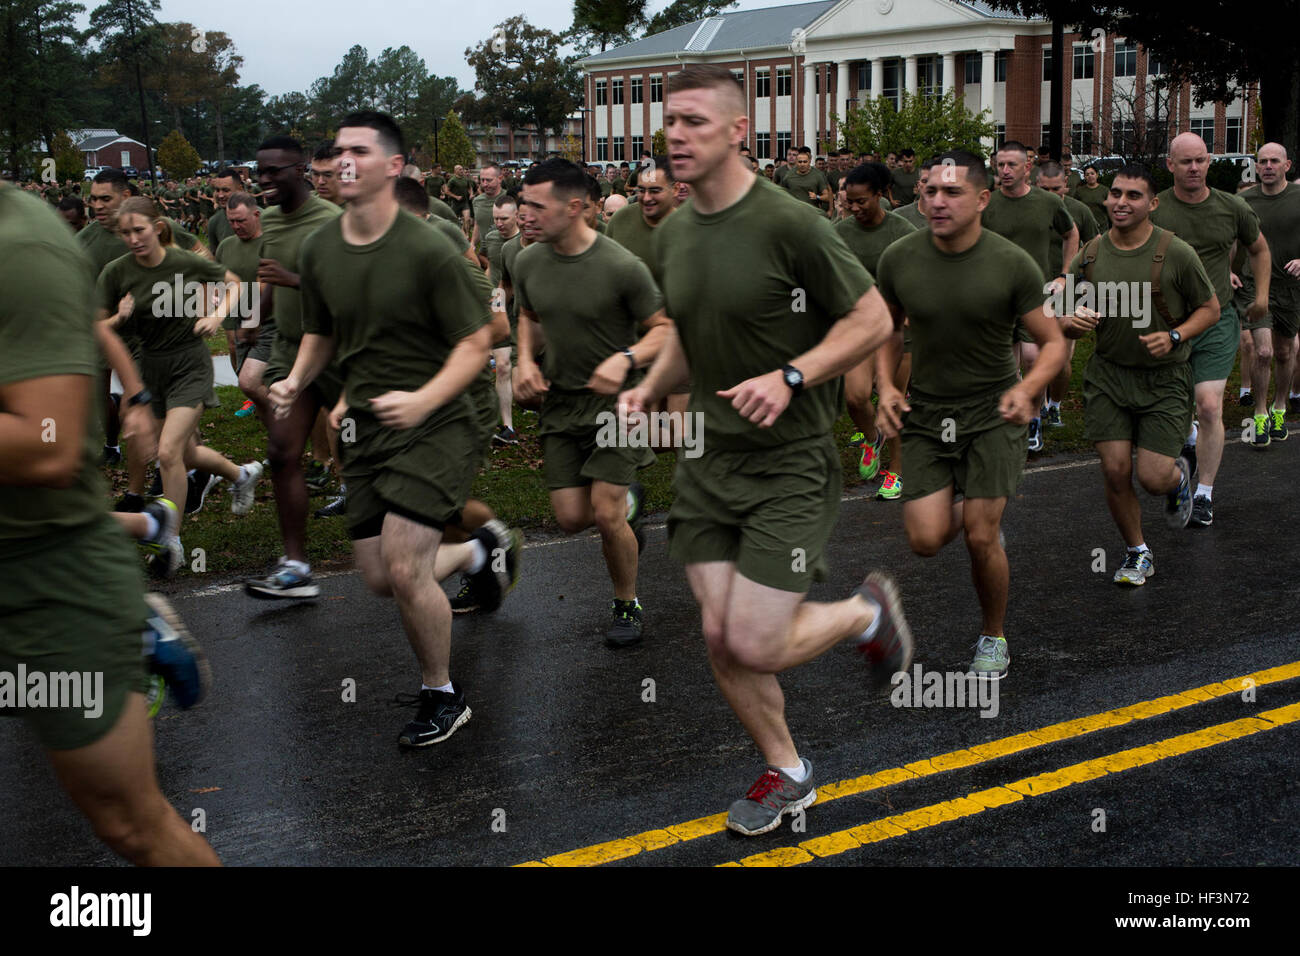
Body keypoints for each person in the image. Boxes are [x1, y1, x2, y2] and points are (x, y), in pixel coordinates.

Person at [619, 66, 912, 837]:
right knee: (722, 639)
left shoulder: (792, 225)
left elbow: (873, 317)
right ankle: (789, 771)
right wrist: (649, 386)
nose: (675, 135)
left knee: (752, 637)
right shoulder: (675, 230)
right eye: (669, 122)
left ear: (739, 130)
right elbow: (688, 330)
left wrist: (793, 374)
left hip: (789, 461)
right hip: (709, 462)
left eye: (693, 121)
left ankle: (862, 613)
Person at [272, 111, 519, 746]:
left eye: (360, 150)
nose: (344, 161)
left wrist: (423, 399)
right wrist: (300, 380)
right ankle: (476, 550)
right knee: (380, 576)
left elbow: (477, 342)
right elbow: (324, 331)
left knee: (407, 569)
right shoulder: (319, 249)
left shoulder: (428, 250)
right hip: (367, 427)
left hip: (439, 421)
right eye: (339, 151)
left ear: (393, 166)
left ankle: (442, 694)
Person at [0, 182, 220, 866]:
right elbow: (100, 322)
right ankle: (141, 594)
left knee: (128, 824)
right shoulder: (103, 262)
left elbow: (49, 443)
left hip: (38, 572)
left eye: (130, 221)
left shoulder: (22, 247)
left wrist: (144, 394)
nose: (122, 230)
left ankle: (148, 557)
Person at [875, 150, 1068, 680]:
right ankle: (980, 512)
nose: (937, 201)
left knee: (981, 536)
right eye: (931, 191)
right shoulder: (899, 258)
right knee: (925, 540)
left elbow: (1050, 343)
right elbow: (888, 329)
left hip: (993, 412)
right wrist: (886, 386)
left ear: (982, 199)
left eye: (952, 192)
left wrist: (1028, 389)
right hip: (926, 414)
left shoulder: (1010, 263)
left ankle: (993, 636)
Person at [514, 159, 670, 646]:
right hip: (561, 403)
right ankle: (629, 503)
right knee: (570, 518)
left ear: (576, 207)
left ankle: (627, 603)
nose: (526, 215)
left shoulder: (622, 267)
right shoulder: (527, 261)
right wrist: (524, 362)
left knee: (603, 515)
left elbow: (665, 331)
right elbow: (529, 316)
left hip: (618, 406)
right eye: (523, 204)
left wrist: (626, 358)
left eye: (537, 206)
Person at [1062, 164, 1216, 584]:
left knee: (1151, 478)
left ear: (1153, 203)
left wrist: (1176, 334)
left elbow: (1211, 309)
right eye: (1115, 194)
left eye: (1133, 196)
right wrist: (1069, 319)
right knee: (1114, 470)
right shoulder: (1092, 252)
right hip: (1108, 376)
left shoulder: (1176, 252)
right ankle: (1138, 551)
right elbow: (1058, 305)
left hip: (1164, 379)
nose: (1120, 202)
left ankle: (1179, 476)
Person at [96, 197, 263, 575]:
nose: (133, 239)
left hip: (190, 364)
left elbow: (234, 284)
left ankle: (169, 540)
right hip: (151, 367)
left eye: (139, 230)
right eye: (125, 233)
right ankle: (242, 475)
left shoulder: (183, 261)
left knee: (168, 453)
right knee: (186, 454)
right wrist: (118, 318)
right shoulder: (116, 273)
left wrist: (217, 315)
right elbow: (96, 326)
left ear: (157, 227)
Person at [243, 136, 344, 597]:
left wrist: (292, 280)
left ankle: (473, 544)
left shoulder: (331, 220)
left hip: (338, 350)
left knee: (379, 464)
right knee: (283, 453)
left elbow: (348, 288)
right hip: (289, 350)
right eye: (259, 172)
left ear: (300, 169)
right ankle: (296, 567)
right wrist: (255, 316)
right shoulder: (267, 220)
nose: (264, 180)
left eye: (274, 171)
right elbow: (271, 276)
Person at [1151, 133, 1268, 525]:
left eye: (1201, 160)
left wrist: (1261, 296)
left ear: (1209, 161)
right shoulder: (1155, 209)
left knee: (1210, 404)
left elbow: (1259, 249)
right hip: (1168, 323)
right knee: (1178, 408)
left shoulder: (1231, 207)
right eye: (1186, 162)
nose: (1195, 168)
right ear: (1170, 165)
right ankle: (1188, 442)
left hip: (1216, 321)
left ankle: (1204, 493)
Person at [983, 141, 1078, 453]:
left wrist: (1064, 273)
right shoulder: (988, 203)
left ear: (1027, 168)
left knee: (1035, 358)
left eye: (1012, 165)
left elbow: (1071, 234)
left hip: (1035, 293)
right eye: (1001, 165)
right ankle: (1016, 418)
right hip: (996, 295)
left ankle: (1036, 416)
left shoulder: (1047, 203)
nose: (1006, 171)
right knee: (1006, 367)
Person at [836, 162, 916, 498]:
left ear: (881, 195)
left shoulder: (903, 231)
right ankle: (872, 439)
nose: (853, 208)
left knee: (891, 402)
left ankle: (895, 472)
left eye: (861, 201)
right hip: (859, 329)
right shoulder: (841, 233)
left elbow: (920, 277)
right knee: (854, 397)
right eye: (849, 202)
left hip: (899, 332)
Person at [1237, 143, 1300, 445]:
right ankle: (1260, 415)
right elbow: (1229, 241)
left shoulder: (1299, 197)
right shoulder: (1244, 200)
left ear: (1287, 165)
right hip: (1255, 286)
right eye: (1262, 161)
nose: (1268, 166)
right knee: (1263, 352)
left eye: (1275, 161)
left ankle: (1280, 407)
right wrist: (1228, 271)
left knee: (1286, 352)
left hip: (1290, 285)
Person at [1038, 160, 1100, 427]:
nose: (1052, 195)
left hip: (1069, 289)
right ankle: (1037, 407)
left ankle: (1054, 406)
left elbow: (1096, 245)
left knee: (1061, 356)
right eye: (1044, 189)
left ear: (1066, 184)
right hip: (1033, 287)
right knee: (1033, 354)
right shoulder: (1028, 209)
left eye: (1056, 189)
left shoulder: (1079, 211)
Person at [216, 192, 275, 423]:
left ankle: (291, 421)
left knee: (250, 382)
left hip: (269, 322)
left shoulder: (270, 243)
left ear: (256, 214)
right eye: (231, 221)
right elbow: (217, 279)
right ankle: (277, 439)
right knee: (250, 384)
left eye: (241, 220)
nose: (235, 226)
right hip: (241, 321)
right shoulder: (226, 246)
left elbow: (266, 286)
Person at [482, 193, 522, 445]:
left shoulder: (527, 239)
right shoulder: (491, 238)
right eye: (496, 218)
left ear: (517, 216)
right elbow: (491, 267)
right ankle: (507, 426)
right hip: (500, 307)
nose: (499, 223)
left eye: (504, 218)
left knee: (522, 374)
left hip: (526, 313)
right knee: (503, 366)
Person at [780, 146, 831, 212]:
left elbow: (827, 197)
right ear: (796, 162)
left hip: (812, 213)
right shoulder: (788, 176)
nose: (802, 164)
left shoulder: (817, 175)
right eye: (800, 162)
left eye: (805, 162)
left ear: (809, 162)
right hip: (794, 212)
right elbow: (781, 194)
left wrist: (817, 197)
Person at [205, 167, 240, 249]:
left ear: (240, 189)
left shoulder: (258, 216)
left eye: (226, 190)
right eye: (217, 190)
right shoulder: (214, 222)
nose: (220, 195)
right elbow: (214, 254)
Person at [1073, 165, 1110, 232]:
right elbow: (1075, 208)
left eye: (1092, 174)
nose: (1090, 176)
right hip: (1085, 226)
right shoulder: (1079, 191)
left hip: (1102, 226)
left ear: (1097, 175)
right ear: (1084, 177)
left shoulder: (1105, 190)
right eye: (1087, 174)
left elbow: (1111, 208)